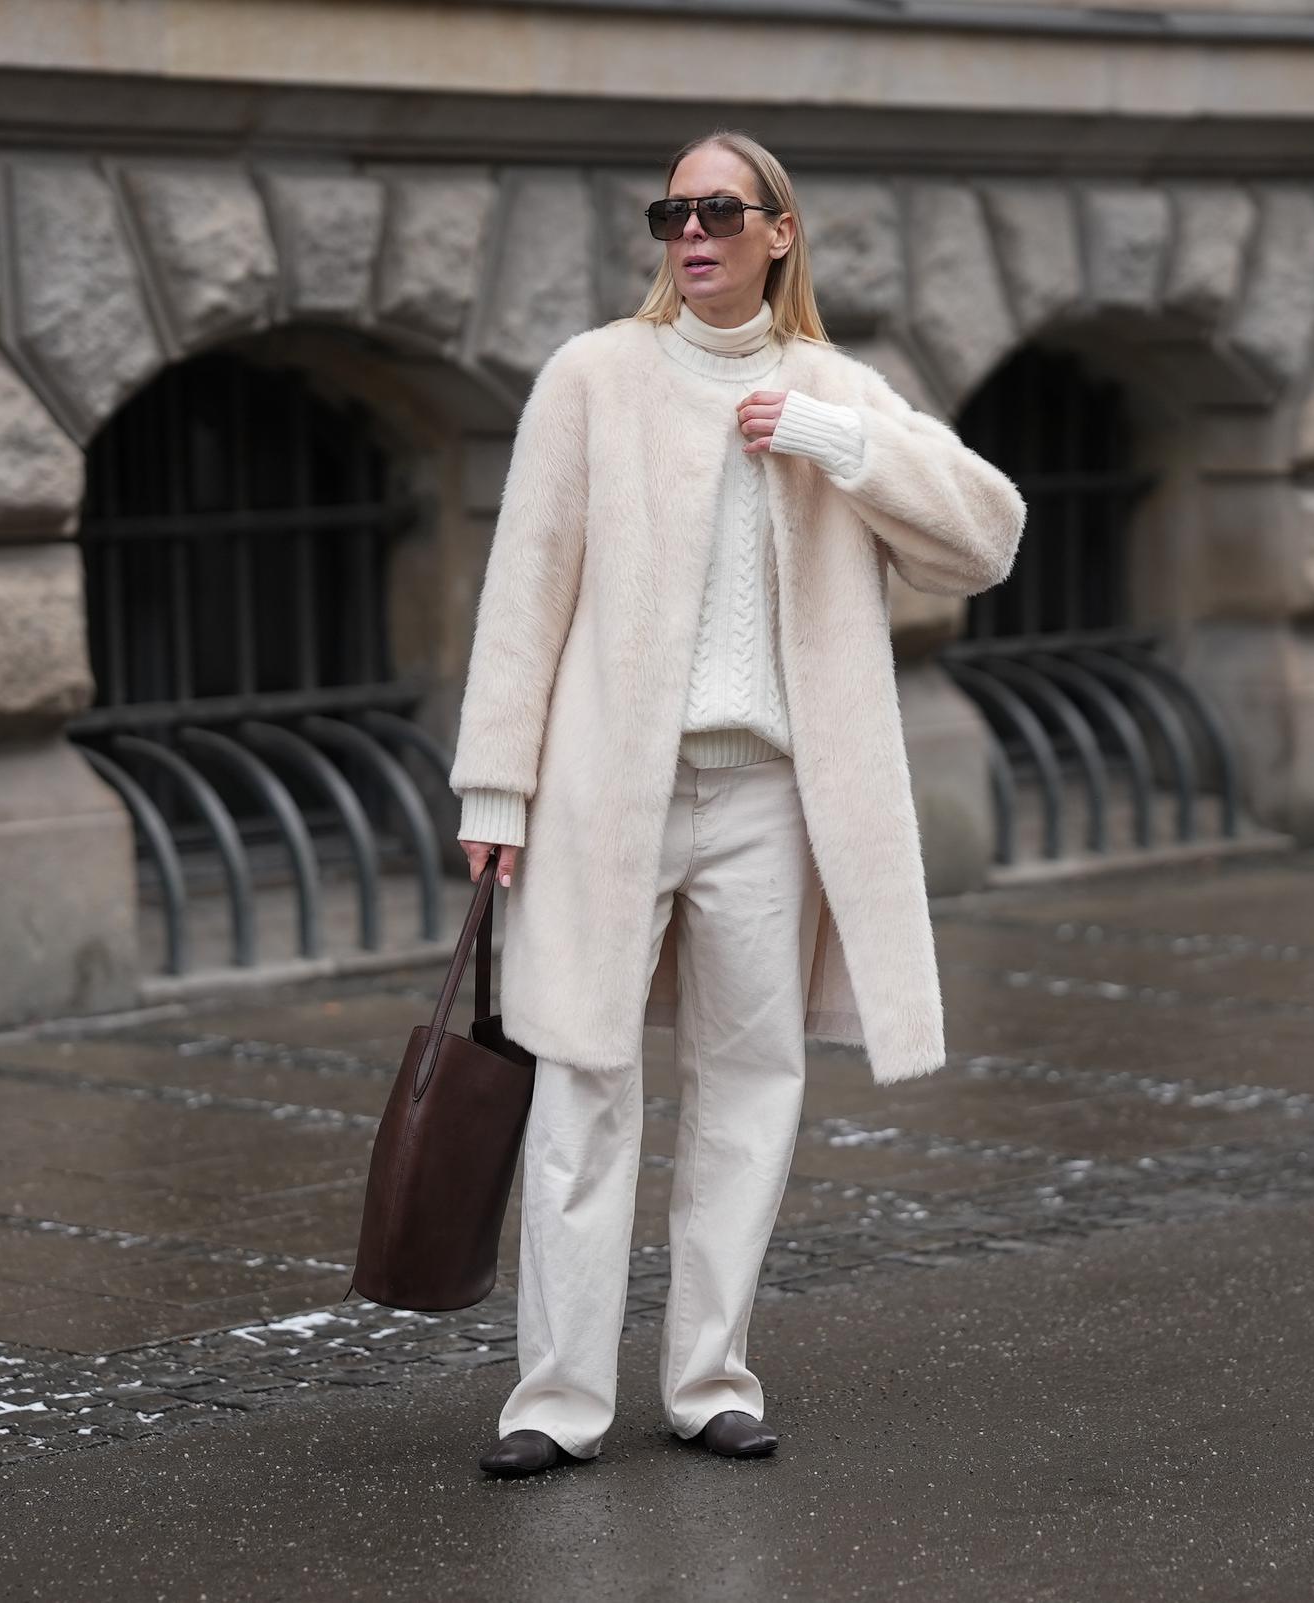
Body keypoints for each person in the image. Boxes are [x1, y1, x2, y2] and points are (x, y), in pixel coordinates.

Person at [449, 129, 1026, 1478]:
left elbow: (986, 538)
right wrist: (496, 787)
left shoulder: (832, 389)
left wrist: (838, 444)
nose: (691, 232)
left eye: (720, 210)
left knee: (749, 1088)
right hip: (609, 796)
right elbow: (524, 595)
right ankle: (555, 1402)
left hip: (766, 798)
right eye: (672, 212)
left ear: (779, 232)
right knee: (583, 1082)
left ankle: (710, 1379)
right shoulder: (592, 378)